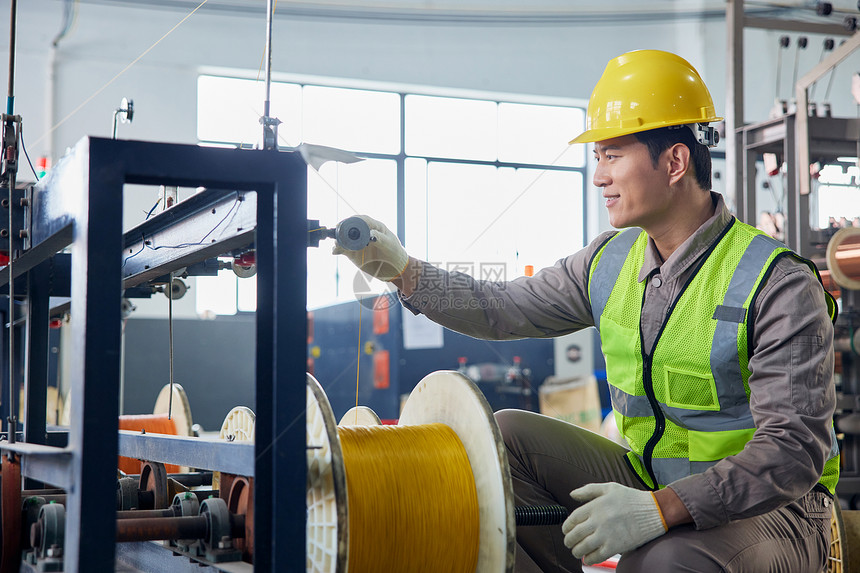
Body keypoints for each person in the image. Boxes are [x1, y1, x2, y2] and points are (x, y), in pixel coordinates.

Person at [334, 50, 838, 572]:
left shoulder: (777, 282)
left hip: (779, 509)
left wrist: (662, 510)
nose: (598, 177)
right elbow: (500, 308)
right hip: (649, 475)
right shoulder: (607, 260)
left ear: (675, 162)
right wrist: (404, 271)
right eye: (598, 157)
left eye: (613, 155)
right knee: (499, 440)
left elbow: (792, 450)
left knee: (661, 562)